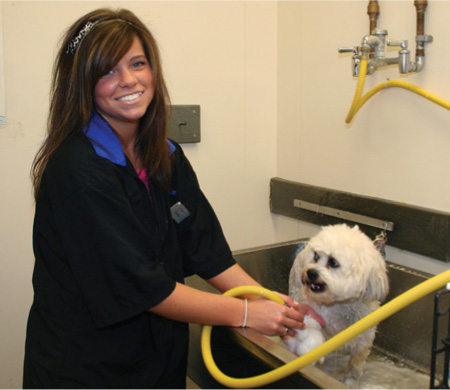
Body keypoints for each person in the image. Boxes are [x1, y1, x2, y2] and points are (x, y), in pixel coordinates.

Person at [23, 8, 322, 389]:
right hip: (88, 367)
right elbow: (141, 285)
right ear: (83, 82)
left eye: (137, 63)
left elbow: (204, 247)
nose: (129, 80)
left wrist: (267, 301)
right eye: (108, 70)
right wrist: (244, 313)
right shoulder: (77, 171)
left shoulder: (165, 156)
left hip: (157, 360)